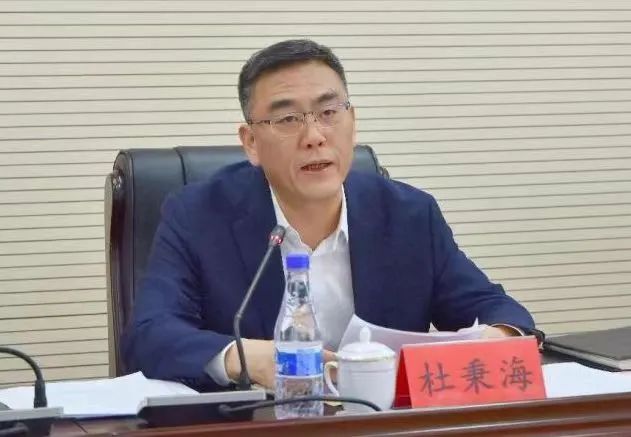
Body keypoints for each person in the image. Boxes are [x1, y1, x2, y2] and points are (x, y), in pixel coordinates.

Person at [122, 39, 536, 392]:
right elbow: (149, 334)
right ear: (251, 142)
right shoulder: (198, 215)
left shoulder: (409, 215)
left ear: (352, 122)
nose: (315, 136)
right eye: (287, 119)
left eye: (329, 112)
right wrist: (249, 358)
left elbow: (497, 309)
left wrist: (498, 338)